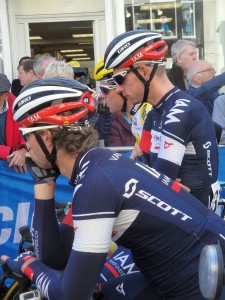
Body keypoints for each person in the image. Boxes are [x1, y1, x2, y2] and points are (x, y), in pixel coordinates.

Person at [2, 77, 225, 300]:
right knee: (103, 292)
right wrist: (44, 182)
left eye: (26, 135)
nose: (26, 146)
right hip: (193, 270)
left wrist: (27, 265)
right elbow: (57, 257)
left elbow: (71, 295)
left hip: (205, 282)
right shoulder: (100, 164)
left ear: (46, 137)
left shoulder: (96, 184)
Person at [104, 30, 219, 208]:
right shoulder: (156, 113)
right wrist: (152, 176)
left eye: (120, 79)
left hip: (194, 227)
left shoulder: (180, 111)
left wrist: (153, 178)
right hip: (176, 218)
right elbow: (145, 169)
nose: (117, 89)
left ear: (143, 71)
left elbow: (156, 188)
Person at [94, 57, 135, 147]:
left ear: (122, 88)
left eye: (104, 89)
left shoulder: (149, 116)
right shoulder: (113, 118)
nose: (101, 95)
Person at [0, 73, 27, 172]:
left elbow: (27, 134)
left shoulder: (19, 109)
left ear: (6, 95)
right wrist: (8, 152)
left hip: (15, 164)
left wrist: (23, 150)